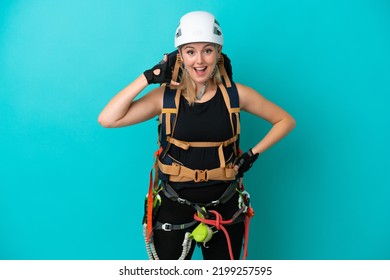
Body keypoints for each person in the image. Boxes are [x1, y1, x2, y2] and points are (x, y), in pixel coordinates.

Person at [98, 11, 295, 260]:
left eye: (207, 50)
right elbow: (108, 118)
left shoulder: (235, 95)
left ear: (218, 53)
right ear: (179, 55)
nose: (199, 61)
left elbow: (285, 120)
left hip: (224, 208)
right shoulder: (165, 97)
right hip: (173, 207)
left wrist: (251, 156)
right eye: (190, 51)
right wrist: (148, 77)